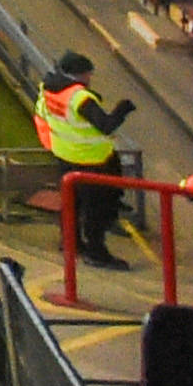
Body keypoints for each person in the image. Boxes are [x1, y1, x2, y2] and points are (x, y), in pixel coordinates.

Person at [39, 54, 135, 267]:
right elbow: (106, 125)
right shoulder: (79, 98)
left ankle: (70, 243)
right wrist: (123, 109)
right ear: (80, 74)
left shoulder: (47, 89)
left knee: (71, 204)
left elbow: (42, 117)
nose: (91, 76)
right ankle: (96, 253)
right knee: (97, 209)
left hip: (65, 157)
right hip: (92, 162)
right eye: (88, 72)